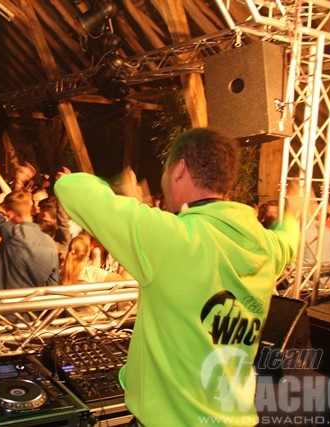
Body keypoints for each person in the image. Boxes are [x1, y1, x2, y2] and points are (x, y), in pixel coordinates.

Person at [54, 128, 300, 426]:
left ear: (180, 169)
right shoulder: (268, 246)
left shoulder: (173, 237)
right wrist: (293, 212)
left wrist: (119, 187)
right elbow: (289, 238)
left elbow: (70, 187)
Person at [0, 138, 59, 290]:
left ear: (11, 214)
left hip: (4, 303)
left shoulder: (11, 232)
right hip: (32, 305)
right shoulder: (50, 245)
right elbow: (52, 285)